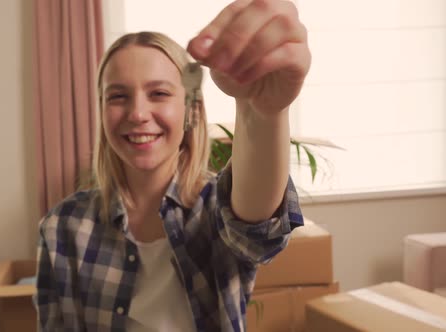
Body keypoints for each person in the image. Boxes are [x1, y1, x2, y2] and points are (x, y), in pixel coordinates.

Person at [34, 0, 310, 330]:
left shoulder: (214, 208)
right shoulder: (62, 226)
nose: (137, 113)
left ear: (191, 110)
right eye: (118, 96)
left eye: (159, 94)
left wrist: (264, 113)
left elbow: (257, 233)